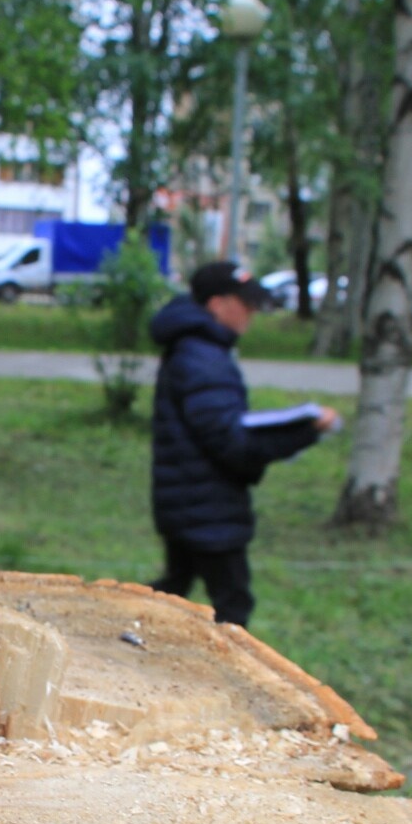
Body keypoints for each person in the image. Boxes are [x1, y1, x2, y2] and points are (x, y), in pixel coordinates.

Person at [147, 261, 339, 627]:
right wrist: (307, 430)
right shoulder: (202, 357)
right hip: (207, 509)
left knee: (173, 591)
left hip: (188, 500)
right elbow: (232, 444)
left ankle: (118, 644)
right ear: (217, 305)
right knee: (232, 608)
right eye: (245, 302)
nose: (252, 311)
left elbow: (218, 427)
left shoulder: (196, 348)